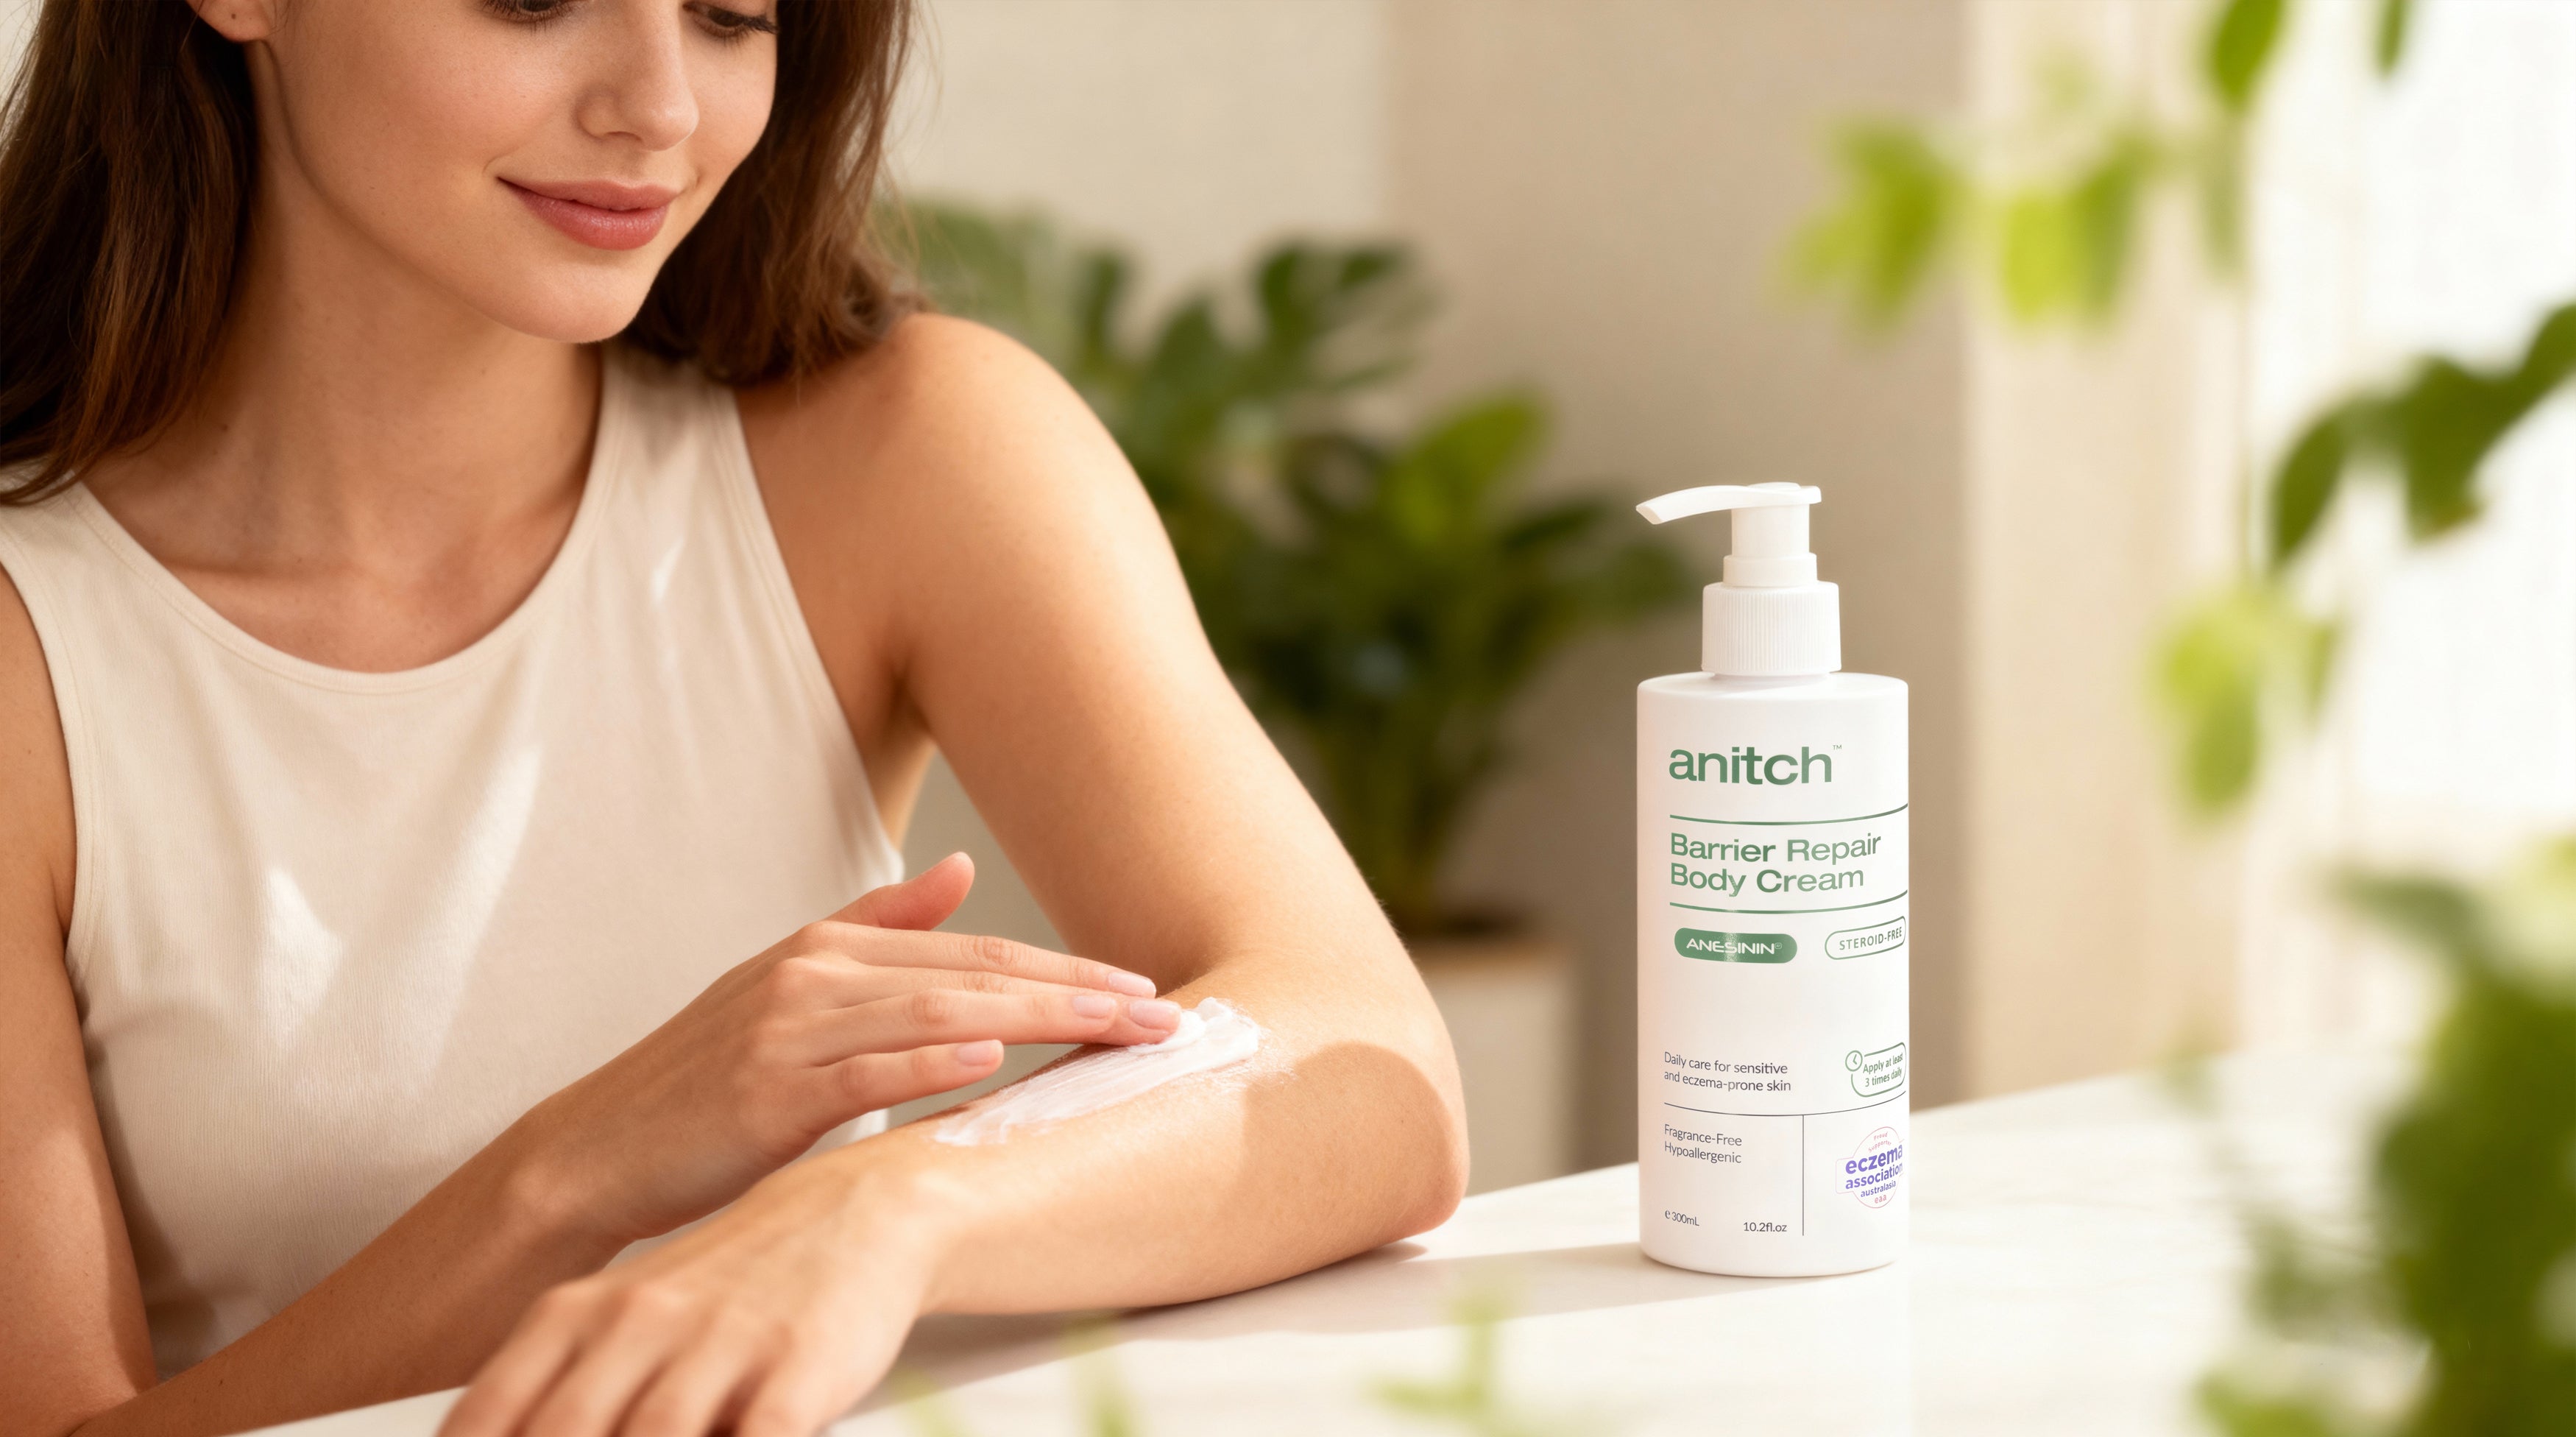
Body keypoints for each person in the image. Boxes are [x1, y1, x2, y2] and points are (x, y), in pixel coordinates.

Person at [0, 3, 1468, 1435]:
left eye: (728, 14)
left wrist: (890, 1207)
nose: (660, 109)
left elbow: (1366, 1070)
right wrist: (577, 1176)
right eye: (534, 2)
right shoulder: (33, 634)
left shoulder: (904, 453)